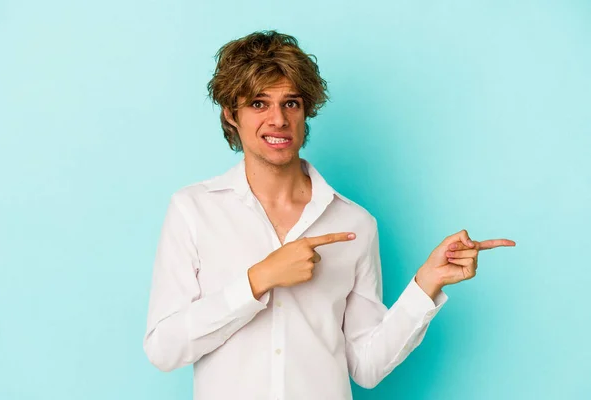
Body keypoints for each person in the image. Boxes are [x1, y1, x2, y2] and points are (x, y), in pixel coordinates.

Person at [142, 30, 516, 400]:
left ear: (306, 111)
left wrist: (426, 286)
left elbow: (366, 366)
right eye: (258, 103)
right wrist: (258, 280)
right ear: (231, 114)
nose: (278, 119)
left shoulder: (354, 224)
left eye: (290, 103)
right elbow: (163, 348)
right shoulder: (193, 209)